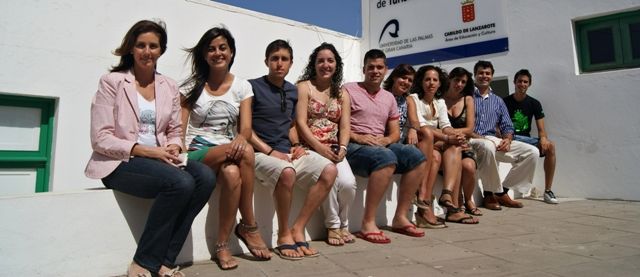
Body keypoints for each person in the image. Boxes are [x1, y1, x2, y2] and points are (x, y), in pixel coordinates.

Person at [84, 20, 215, 277]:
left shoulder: (169, 86)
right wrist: (146, 151)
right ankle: (143, 262)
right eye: (141, 45)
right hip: (120, 163)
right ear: (131, 49)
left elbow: (175, 131)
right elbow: (100, 138)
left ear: (161, 50)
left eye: (153, 46)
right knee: (181, 183)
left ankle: (166, 261)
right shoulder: (112, 82)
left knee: (205, 178)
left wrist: (174, 148)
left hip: (159, 161)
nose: (147, 51)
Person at [180, 27, 270, 270]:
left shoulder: (242, 87)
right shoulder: (191, 87)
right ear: (204, 54)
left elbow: (246, 129)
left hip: (228, 151)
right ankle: (249, 225)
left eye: (222, 48)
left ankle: (222, 245)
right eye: (211, 48)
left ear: (231, 53)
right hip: (197, 153)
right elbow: (180, 131)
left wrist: (241, 139)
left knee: (232, 175)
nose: (217, 53)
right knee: (249, 152)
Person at [249, 40, 337, 260]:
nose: (279, 63)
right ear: (266, 61)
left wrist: (296, 145)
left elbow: (291, 125)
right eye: (275, 58)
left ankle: (298, 228)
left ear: (291, 63)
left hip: (287, 152)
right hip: (260, 154)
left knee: (329, 170)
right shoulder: (251, 87)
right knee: (287, 172)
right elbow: (244, 129)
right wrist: (269, 151)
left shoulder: (292, 91)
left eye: (284, 59)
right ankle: (283, 235)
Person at [344, 49, 426, 244]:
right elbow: (340, 125)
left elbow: (395, 133)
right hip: (354, 146)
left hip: (379, 145)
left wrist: (386, 140)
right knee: (386, 158)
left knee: (417, 156)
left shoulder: (388, 98)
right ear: (363, 69)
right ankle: (368, 223)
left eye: (379, 67)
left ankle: (400, 217)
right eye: (370, 67)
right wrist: (359, 137)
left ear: (385, 70)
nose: (375, 71)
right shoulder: (348, 89)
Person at [295, 43, 357, 246]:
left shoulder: (342, 94)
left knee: (348, 184)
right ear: (314, 64)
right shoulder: (304, 87)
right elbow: (301, 123)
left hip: (336, 148)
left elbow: (345, 126)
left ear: (337, 65)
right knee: (328, 175)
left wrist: (344, 148)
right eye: (320, 60)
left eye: (330, 60)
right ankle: (333, 225)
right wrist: (319, 148)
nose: (325, 64)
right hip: (311, 147)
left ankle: (344, 223)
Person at [407, 65, 478, 224]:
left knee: (455, 147)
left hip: (435, 142)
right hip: (420, 141)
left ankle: (447, 195)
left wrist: (457, 136)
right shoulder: (413, 98)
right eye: (427, 79)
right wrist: (447, 138)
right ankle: (437, 207)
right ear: (421, 81)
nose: (431, 83)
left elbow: (446, 126)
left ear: (440, 83)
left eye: (435, 80)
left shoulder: (439, 102)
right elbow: (421, 126)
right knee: (437, 155)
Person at [471, 60, 539, 210]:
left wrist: (507, 139)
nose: (484, 76)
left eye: (487, 73)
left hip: (493, 139)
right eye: (481, 73)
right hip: (473, 138)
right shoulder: (467, 97)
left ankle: (503, 191)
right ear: (475, 75)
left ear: (492, 76)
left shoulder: (498, 101)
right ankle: (489, 194)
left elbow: (507, 125)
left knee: (532, 152)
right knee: (488, 145)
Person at [383, 64, 445, 229]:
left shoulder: (407, 99)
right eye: (402, 77)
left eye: (410, 80)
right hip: (388, 141)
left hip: (404, 140)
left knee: (433, 150)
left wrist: (412, 128)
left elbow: (415, 121)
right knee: (430, 147)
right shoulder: (384, 96)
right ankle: (424, 202)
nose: (406, 82)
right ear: (394, 77)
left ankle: (423, 195)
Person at [503, 69, 558, 204]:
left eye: (525, 82)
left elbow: (541, 129)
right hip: (510, 138)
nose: (522, 84)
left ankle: (548, 191)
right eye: (520, 81)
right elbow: (499, 125)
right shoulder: (504, 102)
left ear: (529, 84)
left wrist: (543, 139)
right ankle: (502, 191)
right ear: (514, 82)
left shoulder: (534, 103)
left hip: (526, 140)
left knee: (551, 147)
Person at [443, 67, 481, 216]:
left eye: (463, 82)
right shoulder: (439, 98)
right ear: (450, 79)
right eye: (456, 80)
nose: (459, 84)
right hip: (446, 144)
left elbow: (470, 128)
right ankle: (457, 202)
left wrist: (454, 134)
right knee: (459, 164)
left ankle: (469, 199)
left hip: (463, 143)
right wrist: (451, 136)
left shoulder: (468, 99)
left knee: (469, 166)